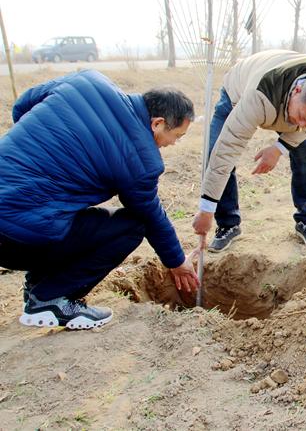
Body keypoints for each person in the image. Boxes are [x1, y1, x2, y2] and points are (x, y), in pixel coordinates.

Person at [0, 70, 199, 330]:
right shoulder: (140, 160)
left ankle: (40, 286)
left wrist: (40, 145)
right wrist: (177, 262)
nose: (174, 144)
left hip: (14, 225)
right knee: (130, 227)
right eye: (177, 136)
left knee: (67, 215)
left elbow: (22, 105)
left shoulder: (86, 81)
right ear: (157, 123)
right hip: (15, 238)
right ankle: (50, 299)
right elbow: (150, 217)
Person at [192, 50, 306, 252]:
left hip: (284, 92)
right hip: (240, 90)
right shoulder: (259, 95)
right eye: (301, 116)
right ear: (298, 91)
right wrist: (206, 209)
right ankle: (228, 224)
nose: (301, 126)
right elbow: (228, 149)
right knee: (215, 150)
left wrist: (279, 148)